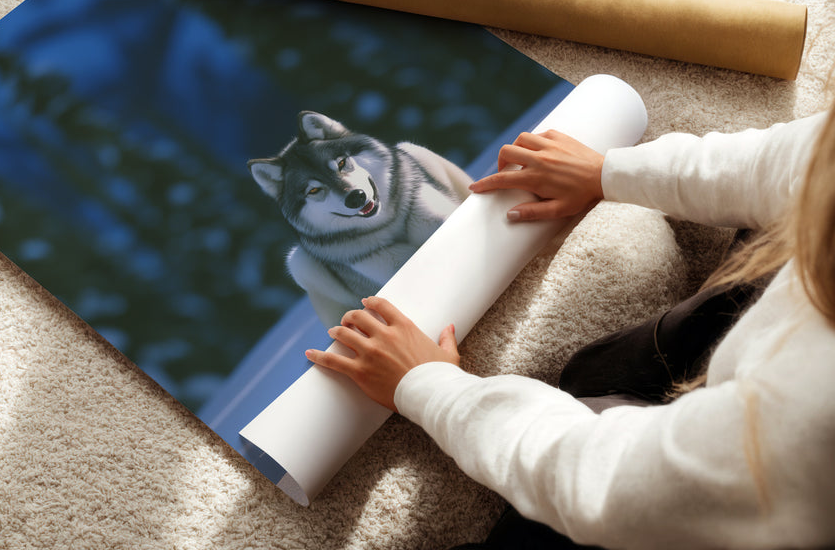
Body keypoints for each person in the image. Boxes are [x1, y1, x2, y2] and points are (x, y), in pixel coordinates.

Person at [305, 105, 835, 549]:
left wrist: (429, 387)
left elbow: (608, 483)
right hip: (764, 373)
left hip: (757, 493)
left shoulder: (809, 417)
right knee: (598, 372)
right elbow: (796, 160)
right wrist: (608, 172)